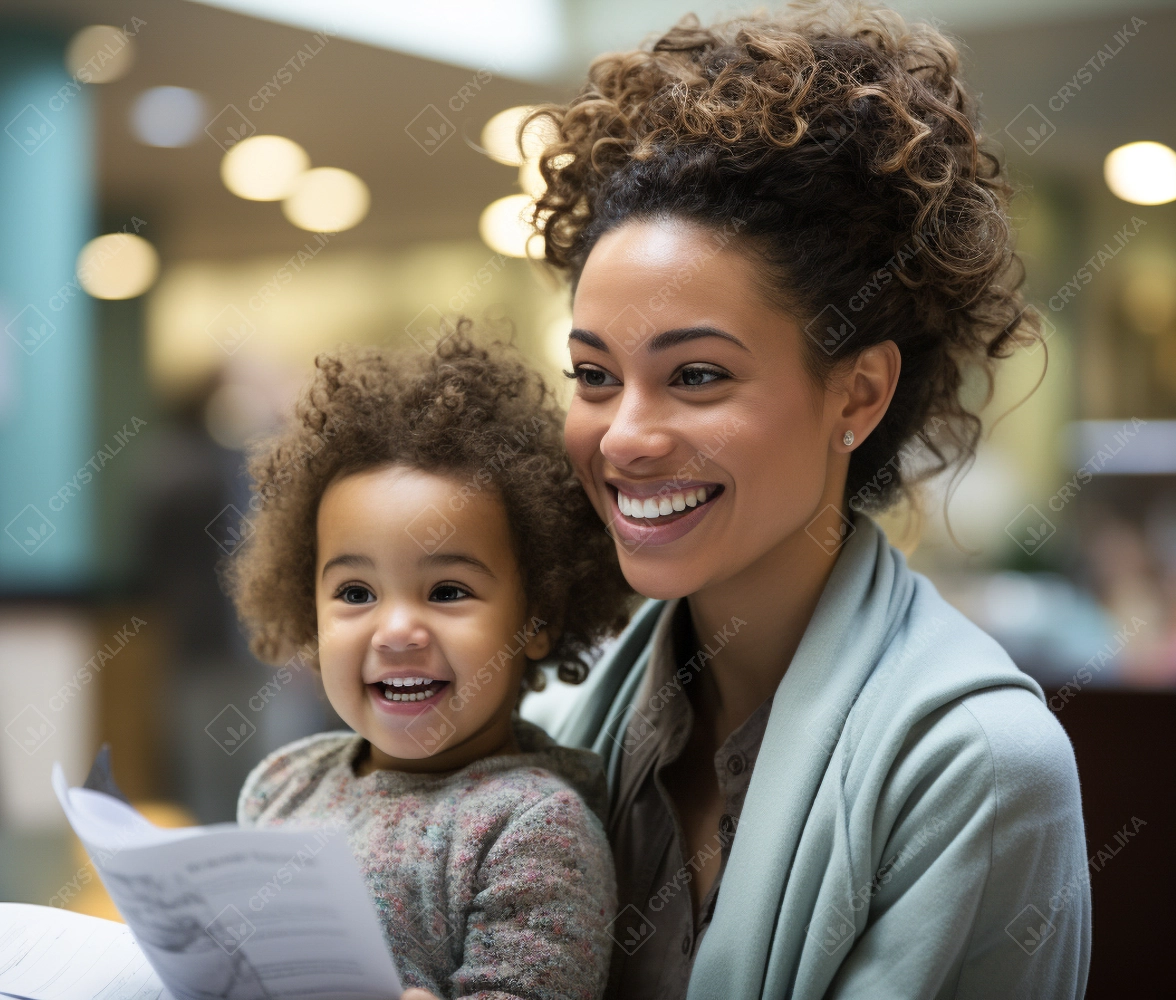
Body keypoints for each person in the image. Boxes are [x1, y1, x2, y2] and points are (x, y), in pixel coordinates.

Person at [422, 3, 1092, 998]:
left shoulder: (976, 769)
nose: (624, 435)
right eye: (595, 376)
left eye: (695, 376)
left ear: (857, 393)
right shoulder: (559, 723)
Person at [229, 329, 637, 999]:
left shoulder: (533, 829)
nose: (395, 630)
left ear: (537, 619)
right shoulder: (280, 786)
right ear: (308, 611)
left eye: (447, 592)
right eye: (355, 593)